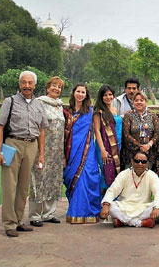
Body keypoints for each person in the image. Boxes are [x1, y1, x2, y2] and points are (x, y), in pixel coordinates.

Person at [0, 71, 48, 237]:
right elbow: (0, 127)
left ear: (35, 85)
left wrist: (41, 154)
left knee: (24, 187)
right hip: (13, 144)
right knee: (10, 186)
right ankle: (9, 224)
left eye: (30, 83)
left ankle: (18, 220)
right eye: (24, 82)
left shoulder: (38, 105)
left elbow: (42, 130)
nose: (27, 86)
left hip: (31, 145)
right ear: (20, 84)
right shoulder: (9, 102)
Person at [28, 76, 65, 227]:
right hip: (42, 148)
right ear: (48, 87)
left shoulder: (60, 106)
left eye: (59, 87)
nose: (56, 89)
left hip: (57, 150)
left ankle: (49, 213)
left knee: (54, 180)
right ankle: (35, 214)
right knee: (39, 179)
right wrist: (40, 150)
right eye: (54, 86)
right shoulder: (40, 103)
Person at [63, 83, 101, 224]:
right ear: (73, 93)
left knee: (89, 177)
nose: (80, 94)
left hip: (87, 151)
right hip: (70, 151)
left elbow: (99, 129)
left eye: (83, 92)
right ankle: (76, 211)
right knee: (74, 179)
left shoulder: (91, 112)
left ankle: (89, 211)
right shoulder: (66, 112)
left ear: (86, 95)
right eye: (78, 91)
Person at [100, 151, 159, 228]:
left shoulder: (152, 175)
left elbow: (158, 192)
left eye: (143, 162)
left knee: (157, 206)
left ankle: (123, 221)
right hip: (124, 206)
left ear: (147, 164)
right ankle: (140, 223)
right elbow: (113, 190)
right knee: (111, 207)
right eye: (137, 161)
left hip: (143, 207)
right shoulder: (124, 174)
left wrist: (156, 208)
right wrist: (106, 205)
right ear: (132, 161)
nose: (140, 164)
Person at [122, 91, 159, 174]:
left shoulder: (152, 115)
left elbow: (157, 133)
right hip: (132, 153)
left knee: (146, 177)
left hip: (149, 153)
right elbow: (126, 135)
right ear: (133, 102)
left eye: (141, 100)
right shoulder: (128, 115)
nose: (139, 102)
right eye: (136, 100)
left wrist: (149, 145)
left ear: (146, 102)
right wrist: (140, 146)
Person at [94, 85, 123, 189]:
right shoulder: (99, 112)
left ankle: (113, 201)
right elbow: (97, 131)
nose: (108, 97)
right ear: (101, 97)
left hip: (117, 146)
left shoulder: (115, 110)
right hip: (105, 148)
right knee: (106, 173)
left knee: (116, 173)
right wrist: (102, 150)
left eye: (110, 94)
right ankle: (103, 200)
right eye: (105, 95)